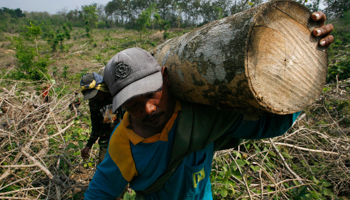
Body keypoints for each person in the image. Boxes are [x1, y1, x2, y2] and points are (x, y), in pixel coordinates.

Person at [84, 11, 334, 199]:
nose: (147, 109)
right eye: (132, 104)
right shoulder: (123, 143)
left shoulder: (200, 116)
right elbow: (100, 194)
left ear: (166, 78)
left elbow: (272, 125)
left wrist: (306, 57)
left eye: (151, 94)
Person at [80, 72, 123, 164]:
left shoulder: (116, 95)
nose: (95, 97)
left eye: (96, 94)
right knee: (103, 165)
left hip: (125, 136)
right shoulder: (94, 103)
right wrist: (89, 145)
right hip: (106, 140)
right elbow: (96, 126)